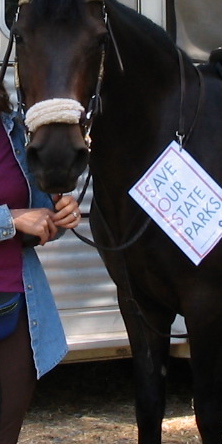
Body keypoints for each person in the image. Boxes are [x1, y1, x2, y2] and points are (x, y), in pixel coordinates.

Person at [0, 82, 81, 443]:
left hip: (15, 304)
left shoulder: (13, 128)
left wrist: (58, 213)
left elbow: (37, 217)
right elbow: (16, 218)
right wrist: (10, 219)